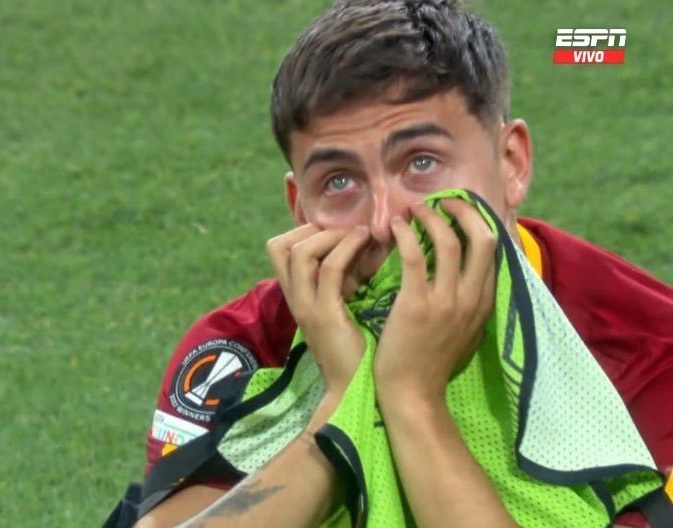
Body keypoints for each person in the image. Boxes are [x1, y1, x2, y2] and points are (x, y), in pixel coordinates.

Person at [110, 1, 673, 526]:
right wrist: (341, 406)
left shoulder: (648, 346)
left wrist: (411, 398)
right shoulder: (250, 344)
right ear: (300, 208)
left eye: (421, 162)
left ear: (511, 164)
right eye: (339, 181)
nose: (383, 222)